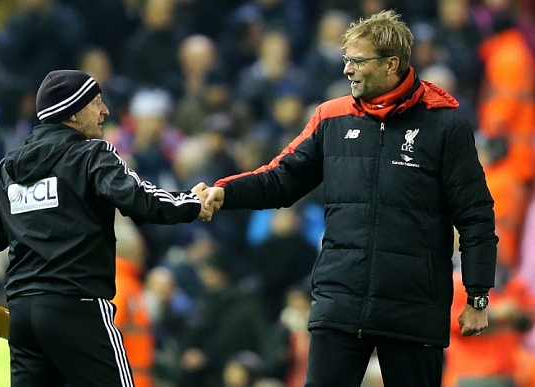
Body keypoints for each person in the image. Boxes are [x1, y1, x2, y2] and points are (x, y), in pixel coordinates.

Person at [204, 10, 498, 387]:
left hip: (412, 308)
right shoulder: (331, 118)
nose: (347, 70)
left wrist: (477, 296)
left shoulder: (445, 126)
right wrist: (225, 191)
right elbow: (281, 179)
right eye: (347, 60)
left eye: (358, 61)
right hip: (340, 301)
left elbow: (475, 215)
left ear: (392, 64)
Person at [0, 69, 215, 387]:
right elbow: (140, 200)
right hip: (79, 309)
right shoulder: (91, 155)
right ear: (73, 112)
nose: (105, 111)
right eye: (97, 103)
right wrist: (191, 202)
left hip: (23, 317)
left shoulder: (7, 169)